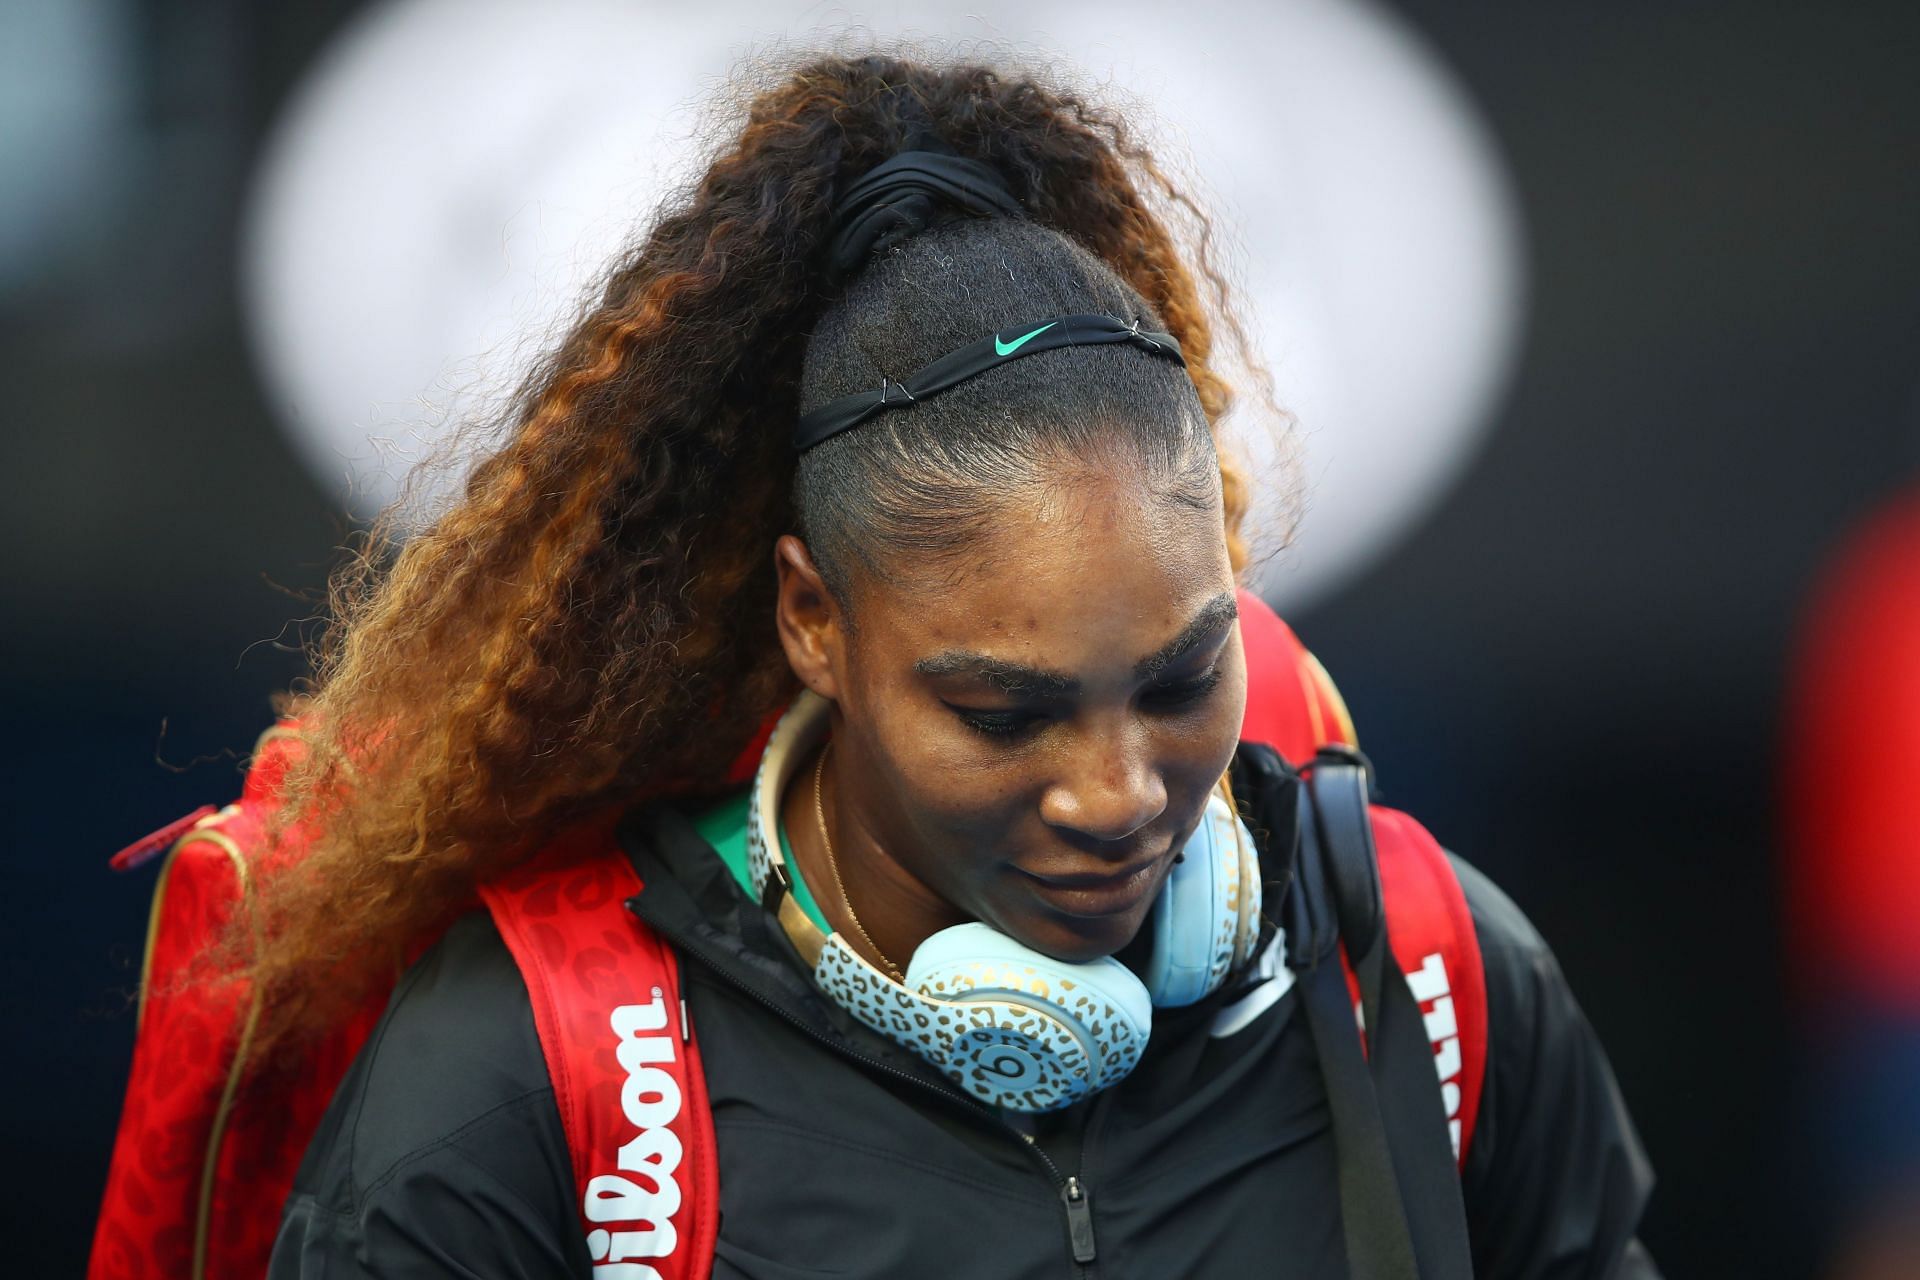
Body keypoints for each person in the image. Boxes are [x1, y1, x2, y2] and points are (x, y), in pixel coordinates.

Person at [257, 51, 1657, 1278]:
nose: (1117, 797)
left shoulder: (1423, 972)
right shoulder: (526, 1086)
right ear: (815, 621)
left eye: (1179, 681)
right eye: (1003, 714)